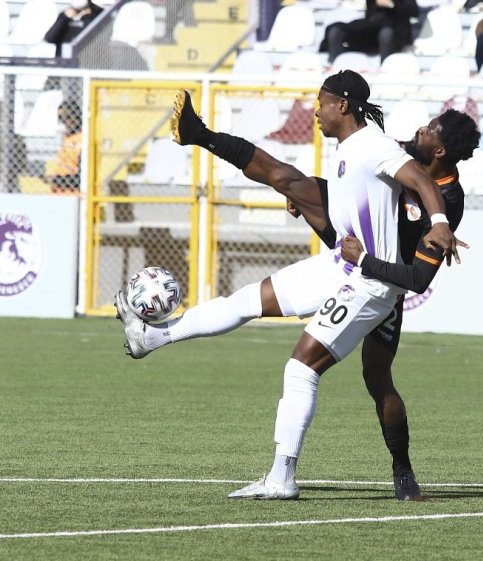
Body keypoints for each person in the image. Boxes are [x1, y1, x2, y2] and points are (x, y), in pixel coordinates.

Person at [114, 71, 462, 501]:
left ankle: (282, 477)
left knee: (305, 368)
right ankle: (152, 336)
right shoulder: (353, 145)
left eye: (322, 102)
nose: (315, 109)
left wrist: (442, 223)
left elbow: (424, 183)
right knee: (245, 300)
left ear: (343, 106)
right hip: (342, 266)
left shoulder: (374, 146)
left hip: (371, 283)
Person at [319, 0, 420, 63]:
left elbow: (414, 11)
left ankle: (385, 67)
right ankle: (334, 67)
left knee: (386, 33)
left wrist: (391, 3)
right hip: (373, 25)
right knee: (336, 29)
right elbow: (370, 13)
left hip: (396, 27)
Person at [44, 100, 82, 193]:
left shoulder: (82, 140)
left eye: (68, 117)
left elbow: (83, 177)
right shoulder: (67, 138)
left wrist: (56, 180)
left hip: (73, 194)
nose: (65, 122)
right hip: (60, 193)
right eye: (61, 118)